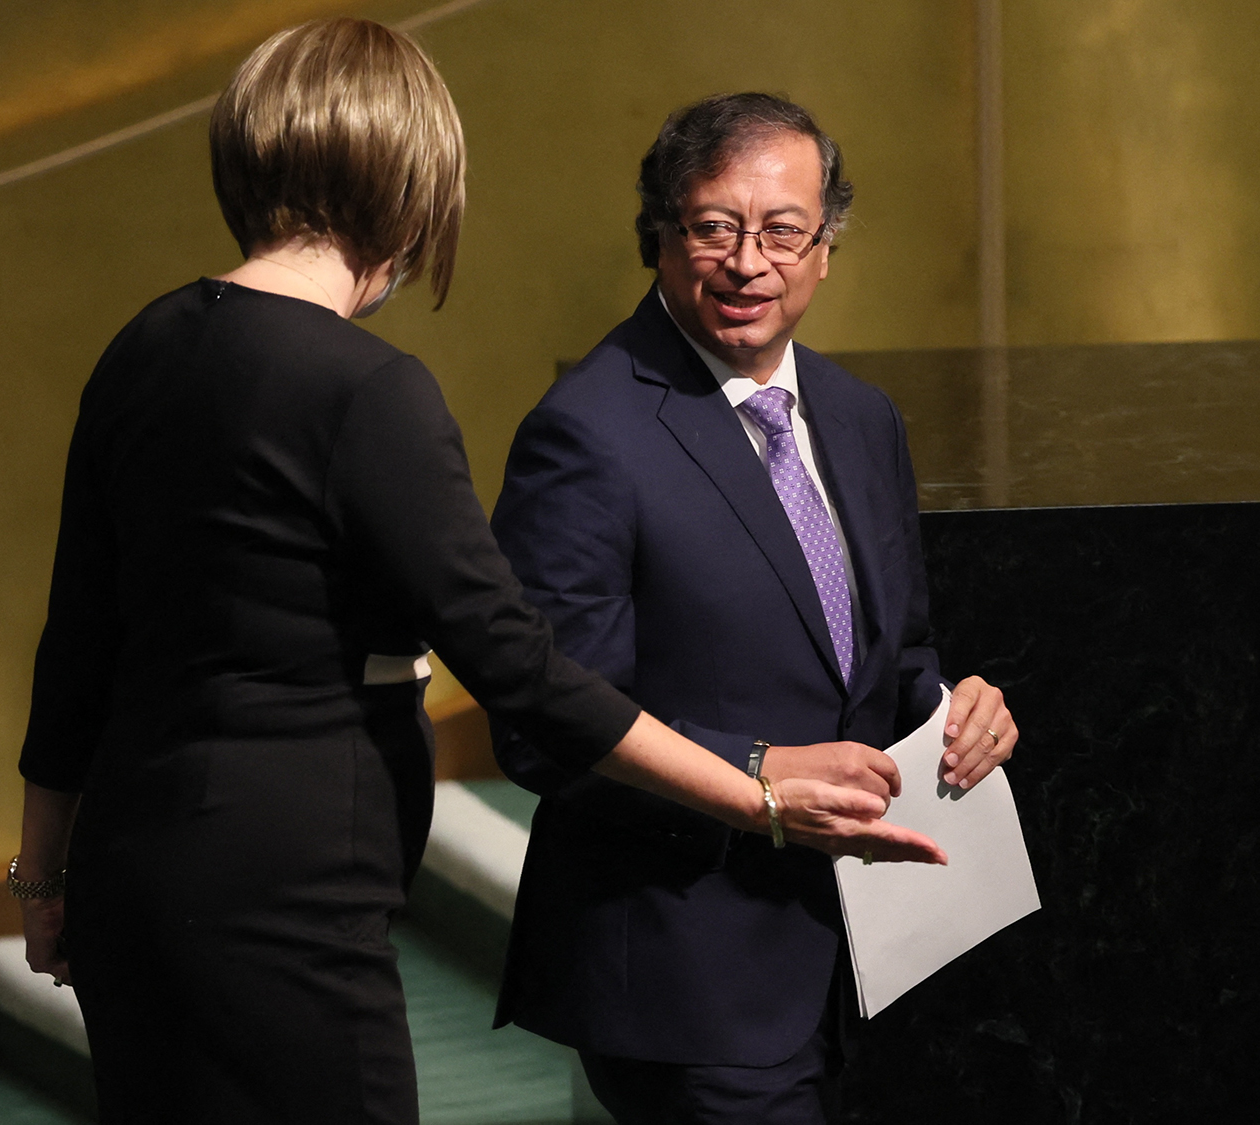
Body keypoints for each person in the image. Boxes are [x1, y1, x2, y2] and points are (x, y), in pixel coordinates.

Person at [10, 29, 939, 1125]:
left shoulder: (146, 344)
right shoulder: (369, 389)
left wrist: (42, 875)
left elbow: (75, 642)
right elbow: (520, 666)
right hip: (289, 891)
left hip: (138, 859)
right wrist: (761, 795)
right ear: (410, 182)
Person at [489, 93, 1019, 1124]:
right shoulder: (585, 435)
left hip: (870, 959)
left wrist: (956, 708)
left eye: (782, 231)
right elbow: (543, 729)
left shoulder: (861, 419)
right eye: (713, 227)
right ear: (658, 236)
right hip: (691, 981)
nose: (747, 263)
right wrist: (756, 777)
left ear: (824, 250)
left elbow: (893, 654)